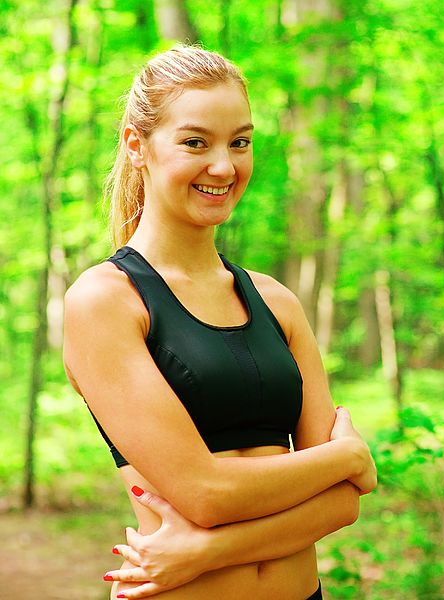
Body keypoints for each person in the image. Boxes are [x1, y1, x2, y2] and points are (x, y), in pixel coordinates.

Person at [62, 44, 377, 600]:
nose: (224, 167)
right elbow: (203, 492)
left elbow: (344, 501)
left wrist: (206, 551)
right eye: (194, 142)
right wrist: (343, 455)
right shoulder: (107, 301)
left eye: (240, 142)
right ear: (138, 145)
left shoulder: (276, 301)